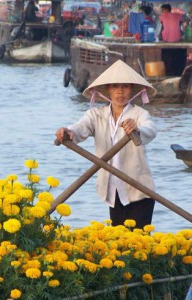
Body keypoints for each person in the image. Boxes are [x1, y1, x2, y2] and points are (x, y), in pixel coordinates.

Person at [55, 60, 157, 229]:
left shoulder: (139, 114)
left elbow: (151, 130)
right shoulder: (96, 115)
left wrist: (136, 130)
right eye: (115, 86)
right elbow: (81, 127)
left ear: (131, 89)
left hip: (140, 190)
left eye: (125, 86)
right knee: (118, 243)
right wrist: (68, 131)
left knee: (140, 246)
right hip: (113, 191)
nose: (120, 92)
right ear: (108, 90)